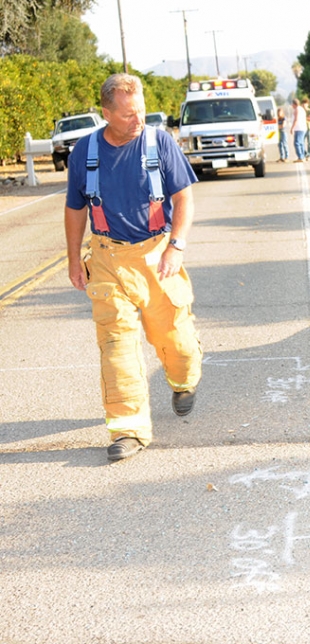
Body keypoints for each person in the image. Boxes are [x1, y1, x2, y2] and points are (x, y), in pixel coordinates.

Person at [64, 73, 203, 462]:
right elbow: (75, 209)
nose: (137, 120)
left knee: (178, 343)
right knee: (116, 348)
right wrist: (75, 259)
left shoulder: (160, 142)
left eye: (140, 111)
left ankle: (183, 380)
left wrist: (176, 246)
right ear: (106, 113)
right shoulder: (84, 152)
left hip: (158, 255)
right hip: (108, 260)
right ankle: (129, 430)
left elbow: (184, 197)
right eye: (127, 115)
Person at [290, 98, 307, 162]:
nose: (292, 106)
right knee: (301, 143)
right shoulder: (301, 109)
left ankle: (300, 157)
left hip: (299, 128)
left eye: (292, 104)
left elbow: (296, 120)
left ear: (294, 104)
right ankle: (302, 156)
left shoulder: (297, 109)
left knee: (297, 143)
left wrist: (292, 128)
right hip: (303, 128)